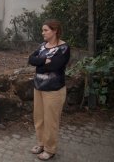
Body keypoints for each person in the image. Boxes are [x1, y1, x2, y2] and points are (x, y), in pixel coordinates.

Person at [28, 19, 70, 160]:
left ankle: (50, 149)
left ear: (55, 31)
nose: (43, 33)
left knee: (51, 120)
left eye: (45, 30)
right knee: (39, 119)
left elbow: (55, 66)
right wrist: (42, 62)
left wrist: (39, 64)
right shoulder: (42, 46)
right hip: (38, 87)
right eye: (43, 30)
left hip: (54, 90)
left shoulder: (63, 48)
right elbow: (30, 59)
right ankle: (41, 144)